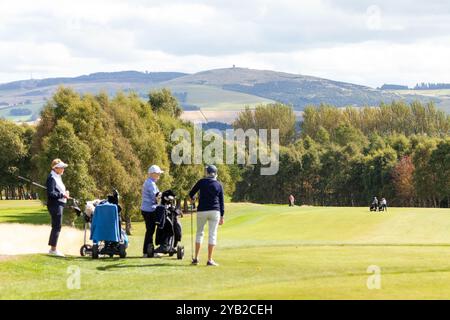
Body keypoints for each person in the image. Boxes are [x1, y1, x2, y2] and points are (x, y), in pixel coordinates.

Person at [189, 165, 224, 266]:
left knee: (199, 233)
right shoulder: (218, 184)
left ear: (207, 173)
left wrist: (193, 199)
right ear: (215, 174)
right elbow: (221, 202)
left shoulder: (202, 182)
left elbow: (191, 194)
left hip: (202, 210)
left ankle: (196, 258)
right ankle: (209, 260)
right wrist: (222, 216)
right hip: (215, 211)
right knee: (212, 234)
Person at [46, 158, 70, 257]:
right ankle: (53, 249)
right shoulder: (52, 177)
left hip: (59, 204)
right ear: (55, 168)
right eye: (61, 167)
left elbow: (57, 191)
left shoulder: (57, 176)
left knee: (57, 226)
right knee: (56, 226)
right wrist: (62, 195)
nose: (63, 169)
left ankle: (53, 248)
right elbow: (51, 193)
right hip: (55, 204)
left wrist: (64, 194)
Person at [141, 165, 164, 258]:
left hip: (147, 209)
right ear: (153, 174)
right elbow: (156, 197)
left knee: (150, 231)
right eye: (158, 174)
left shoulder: (149, 182)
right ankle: (147, 252)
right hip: (149, 210)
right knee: (150, 231)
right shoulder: (151, 183)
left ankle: (149, 251)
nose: (159, 175)